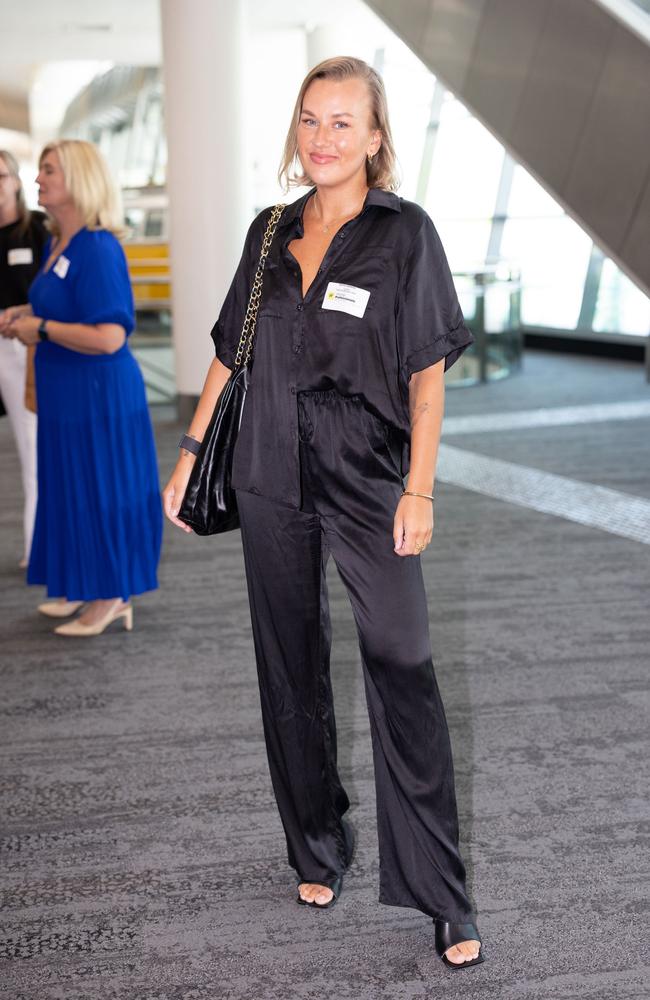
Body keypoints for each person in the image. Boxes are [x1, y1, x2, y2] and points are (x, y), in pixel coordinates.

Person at [163, 57, 484, 969]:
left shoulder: (404, 235)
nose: (324, 138)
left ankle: (441, 892)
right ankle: (315, 841)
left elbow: (427, 376)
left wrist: (419, 487)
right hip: (267, 462)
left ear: (377, 137)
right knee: (288, 660)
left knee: (403, 658)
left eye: (344, 122)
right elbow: (230, 354)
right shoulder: (270, 233)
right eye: (311, 120)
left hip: (369, 470)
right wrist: (189, 456)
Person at [0, 139, 162, 636]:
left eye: (48, 170)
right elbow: (64, 304)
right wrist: (26, 313)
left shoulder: (98, 247)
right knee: (74, 489)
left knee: (103, 491)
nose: (37, 179)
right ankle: (90, 586)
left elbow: (111, 334)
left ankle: (113, 596)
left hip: (98, 396)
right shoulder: (57, 242)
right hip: (67, 394)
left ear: (77, 181)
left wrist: (41, 330)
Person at [0, 149, 48, 567]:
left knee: (35, 446)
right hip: (6, 349)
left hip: (32, 348)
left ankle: (39, 545)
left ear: (15, 179)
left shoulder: (38, 230)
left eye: (1, 176)